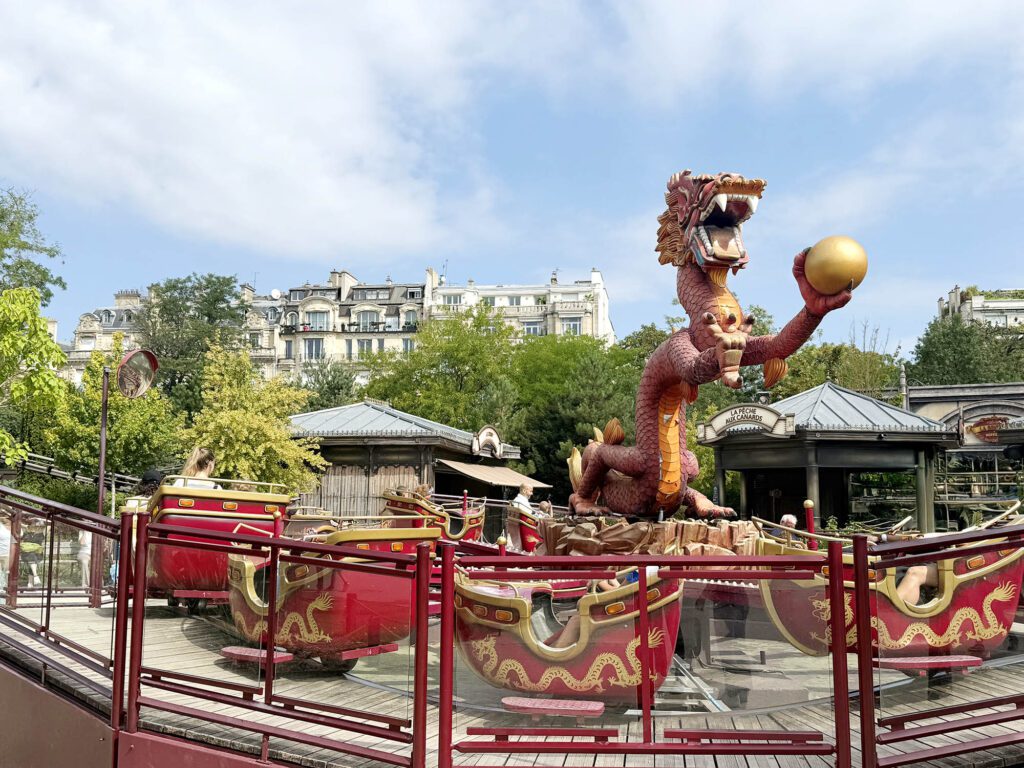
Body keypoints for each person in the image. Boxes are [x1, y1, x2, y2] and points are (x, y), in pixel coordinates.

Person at [0, 516, 10, 592]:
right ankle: (3, 587)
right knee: (4, 571)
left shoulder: (9, 529)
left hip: (5, 553)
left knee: (4, 571)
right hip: (4, 553)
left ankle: (2, 587)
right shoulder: (5, 529)